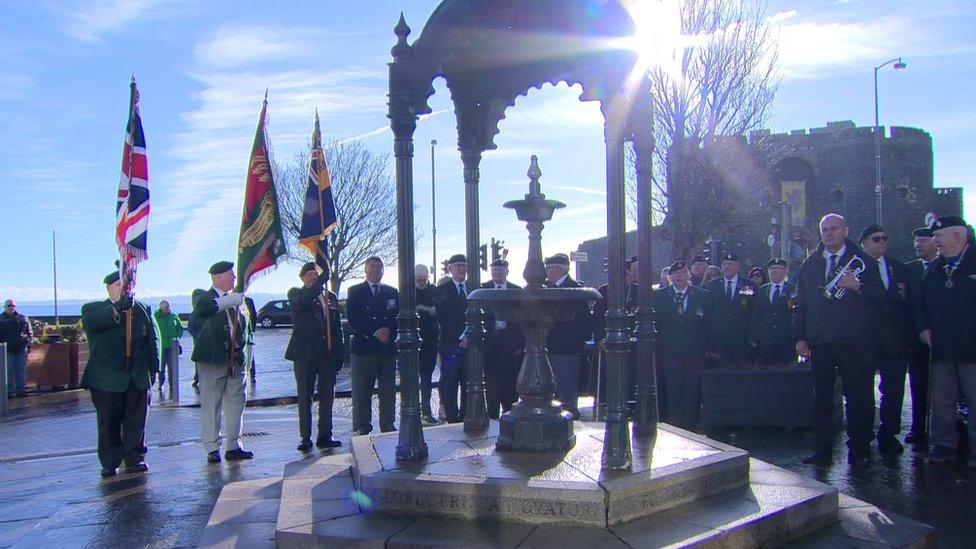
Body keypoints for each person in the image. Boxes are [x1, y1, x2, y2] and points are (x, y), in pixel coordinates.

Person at [794, 213, 882, 466]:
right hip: (820, 341)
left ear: (845, 230)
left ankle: (860, 448)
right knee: (821, 398)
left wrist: (857, 287)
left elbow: (880, 298)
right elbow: (801, 304)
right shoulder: (810, 264)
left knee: (859, 396)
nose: (829, 233)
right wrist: (800, 337)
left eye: (834, 228)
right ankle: (822, 449)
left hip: (853, 340)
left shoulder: (863, 261)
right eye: (824, 229)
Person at [80, 270, 158, 477]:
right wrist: (116, 309)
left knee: (136, 421)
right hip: (107, 378)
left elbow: (152, 338)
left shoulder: (142, 309)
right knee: (109, 422)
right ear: (108, 288)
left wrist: (155, 367)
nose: (123, 290)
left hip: (137, 375)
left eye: (126, 286)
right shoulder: (94, 308)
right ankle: (110, 460)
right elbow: (91, 323)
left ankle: (134, 458)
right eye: (117, 286)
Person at [916, 216, 976, 466]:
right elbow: (920, 303)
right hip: (941, 347)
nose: (935, 241)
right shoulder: (935, 267)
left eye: (939, 236)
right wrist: (923, 328)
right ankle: (943, 445)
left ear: (957, 236)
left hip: (973, 348)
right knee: (942, 400)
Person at [860, 224, 914, 455]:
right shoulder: (855, 267)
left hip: (894, 338)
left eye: (884, 238)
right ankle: (863, 434)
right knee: (862, 389)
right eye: (876, 239)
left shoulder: (899, 269)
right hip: (865, 338)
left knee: (893, 389)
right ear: (864, 242)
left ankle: (889, 433)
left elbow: (909, 304)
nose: (881, 242)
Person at [191, 261, 253, 464]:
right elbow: (203, 309)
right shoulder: (203, 295)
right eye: (230, 275)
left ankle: (234, 445)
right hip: (213, 361)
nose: (234, 278)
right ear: (218, 277)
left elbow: (245, 328)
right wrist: (231, 301)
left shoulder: (237, 300)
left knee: (236, 403)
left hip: (235, 359)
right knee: (211, 405)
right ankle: (212, 447)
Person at [285, 262, 344, 451]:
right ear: (302, 278)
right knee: (305, 395)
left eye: (315, 274)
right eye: (309, 275)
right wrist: (319, 282)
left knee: (327, 395)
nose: (313, 277)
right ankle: (305, 436)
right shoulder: (296, 293)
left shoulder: (330, 297)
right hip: (304, 354)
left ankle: (325, 434)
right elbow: (302, 303)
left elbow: (337, 327)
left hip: (326, 355)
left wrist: (339, 353)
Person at [651, 261, 714, 428]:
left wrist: (709, 347)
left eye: (682, 273)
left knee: (692, 387)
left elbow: (709, 323)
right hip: (669, 351)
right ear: (669, 277)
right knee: (673, 387)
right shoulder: (659, 296)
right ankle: (674, 423)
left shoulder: (702, 295)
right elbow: (654, 324)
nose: (678, 276)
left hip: (694, 351)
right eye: (675, 274)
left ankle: (692, 422)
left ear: (688, 275)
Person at [346, 256, 399, 435]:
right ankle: (362, 425)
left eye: (379, 267)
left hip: (386, 348)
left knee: (388, 390)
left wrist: (387, 330)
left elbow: (397, 316)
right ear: (366, 270)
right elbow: (353, 318)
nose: (376, 270)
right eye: (372, 266)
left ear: (384, 270)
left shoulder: (391, 292)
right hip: (365, 348)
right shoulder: (355, 291)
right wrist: (374, 331)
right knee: (363, 390)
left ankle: (388, 423)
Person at [544, 253, 592, 419]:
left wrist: (576, 341)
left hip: (567, 348)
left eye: (548, 269)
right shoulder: (547, 288)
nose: (546, 272)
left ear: (557, 269)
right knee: (552, 388)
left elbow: (584, 320)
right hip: (549, 347)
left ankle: (569, 421)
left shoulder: (574, 288)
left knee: (567, 389)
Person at [904, 226, 938, 446]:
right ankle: (918, 427)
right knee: (918, 384)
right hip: (917, 337)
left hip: (943, 335)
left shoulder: (945, 267)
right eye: (916, 241)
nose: (918, 244)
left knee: (946, 386)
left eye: (923, 240)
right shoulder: (909, 270)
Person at [481, 258, 524, 419]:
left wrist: (520, 343)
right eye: (494, 270)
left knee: (510, 384)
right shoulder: (483, 289)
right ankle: (492, 417)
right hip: (490, 343)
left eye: (500, 270)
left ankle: (509, 416)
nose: (497, 273)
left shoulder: (516, 290)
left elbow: (522, 318)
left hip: (510, 343)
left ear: (507, 271)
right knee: (491, 385)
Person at [434, 254, 470, 423]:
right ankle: (452, 417)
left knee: (468, 382)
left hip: (471, 345)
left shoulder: (474, 287)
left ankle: (466, 415)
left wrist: (469, 335)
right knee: (450, 382)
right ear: (450, 269)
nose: (462, 269)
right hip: (451, 347)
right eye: (458, 266)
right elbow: (443, 319)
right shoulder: (442, 290)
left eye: (464, 265)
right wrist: (461, 336)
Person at [707, 252, 757, 366]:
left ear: (737, 266)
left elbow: (753, 311)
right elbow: (709, 314)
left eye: (730, 264)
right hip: (719, 340)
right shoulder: (712, 286)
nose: (727, 267)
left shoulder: (748, 285)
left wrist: (751, 337)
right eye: (724, 264)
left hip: (741, 339)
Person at [748, 259, 796, 365]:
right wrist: (752, 336)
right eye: (772, 269)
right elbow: (756, 314)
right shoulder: (762, 290)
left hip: (786, 338)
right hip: (766, 339)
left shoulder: (793, 289)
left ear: (785, 271)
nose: (774, 271)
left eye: (778, 268)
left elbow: (796, 314)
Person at [415, 264, 441, 425]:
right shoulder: (408, 292)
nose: (422, 282)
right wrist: (427, 310)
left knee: (426, 376)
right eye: (419, 280)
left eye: (424, 279)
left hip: (431, 339)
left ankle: (425, 411)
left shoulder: (434, 291)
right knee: (412, 377)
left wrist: (422, 308)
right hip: (413, 339)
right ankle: (415, 410)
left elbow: (441, 309)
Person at [0, 299, 32, 398]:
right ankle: (8, 392)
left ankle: (21, 391)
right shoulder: (0, 319)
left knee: (21, 370)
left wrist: (28, 345)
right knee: (8, 371)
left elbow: (29, 332)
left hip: (21, 348)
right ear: (4, 307)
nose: (11, 307)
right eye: (9, 305)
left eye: (13, 305)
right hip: (7, 349)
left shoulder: (22, 318)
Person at [152, 300, 183, 395]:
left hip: (172, 346)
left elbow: (180, 328)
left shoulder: (174, 316)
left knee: (172, 367)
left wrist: (177, 336)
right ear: (161, 308)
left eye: (169, 307)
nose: (168, 309)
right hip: (161, 347)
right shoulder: (156, 317)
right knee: (161, 367)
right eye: (166, 307)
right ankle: (161, 384)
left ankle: (172, 384)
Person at [244, 296, 258, 383]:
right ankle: (251, 375)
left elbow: (253, 315)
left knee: (250, 353)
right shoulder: (248, 300)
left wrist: (251, 329)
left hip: (247, 332)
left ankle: (252, 375)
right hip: (245, 332)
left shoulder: (248, 300)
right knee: (249, 353)